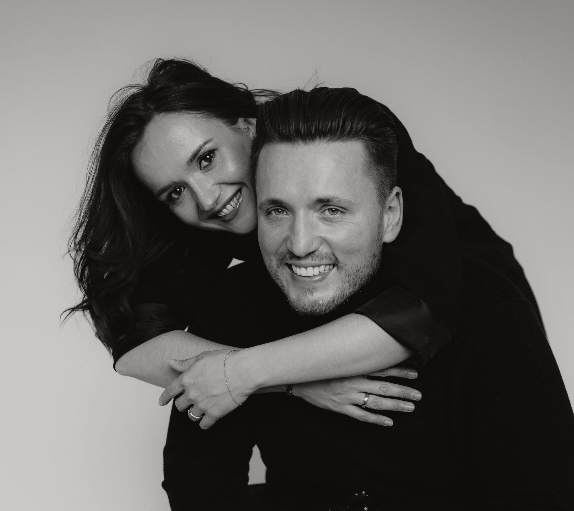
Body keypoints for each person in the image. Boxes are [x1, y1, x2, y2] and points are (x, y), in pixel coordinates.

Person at [161, 87, 574, 511]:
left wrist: (249, 372)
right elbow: (197, 470)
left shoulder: (487, 309)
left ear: (390, 214)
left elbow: (542, 494)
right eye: (277, 211)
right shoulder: (233, 302)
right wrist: (284, 383)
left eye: (331, 211)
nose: (300, 244)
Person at [67, 58, 536, 427]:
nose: (206, 199)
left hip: (481, 312)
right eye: (174, 192)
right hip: (355, 349)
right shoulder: (201, 219)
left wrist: (243, 373)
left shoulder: (343, 134)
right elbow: (137, 343)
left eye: (207, 159)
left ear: (247, 125)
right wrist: (295, 384)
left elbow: (416, 315)